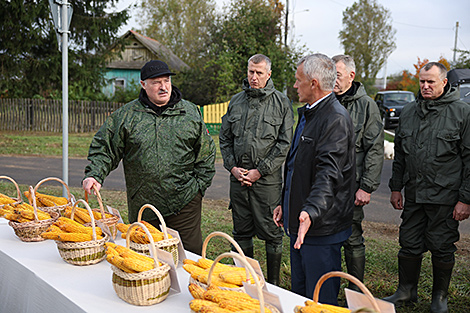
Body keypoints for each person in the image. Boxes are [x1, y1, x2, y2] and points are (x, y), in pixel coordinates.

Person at [82, 60, 216, 255]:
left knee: (188, 256)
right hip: (144, 204)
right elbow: (106, 147)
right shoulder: (127, 116)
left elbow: (206, 152)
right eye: (156, 82)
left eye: (166, 80)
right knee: (145, 257)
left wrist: (197, 189)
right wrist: (95, 174)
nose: (163, 87)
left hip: (184, 203)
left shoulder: (189, 113)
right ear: (143, 84)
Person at [384, 62, 470, 313]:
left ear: (444, 83)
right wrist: (396, 187)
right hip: (415, 195)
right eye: (422, 81)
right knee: (408, 243)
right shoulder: (410, 111)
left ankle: (439, 297)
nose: (425, 86)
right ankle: (406, 291)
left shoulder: (462, 113)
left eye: (431, 81)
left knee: (442, 246)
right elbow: (400, 154)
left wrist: (466, 199)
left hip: (445, 197)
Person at [273, 53, 356, 305]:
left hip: (320, 228)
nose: (295, 86)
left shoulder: (334, 118)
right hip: (302, 223)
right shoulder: (310, 113)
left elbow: (329, 174)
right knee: (300, 294)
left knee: (320, 299)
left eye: (298, 81)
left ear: (314, 83)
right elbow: (296, 166)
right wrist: (284, 202)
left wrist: (310, 210)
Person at [219, 54, 294, 285]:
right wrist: (232, 167)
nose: (253, 77)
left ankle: (272, 287)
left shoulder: (282, 103)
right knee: (241, 233)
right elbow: (224, 139)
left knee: (272, 235)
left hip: (267, 183)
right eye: (251, 71)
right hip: (238, 181)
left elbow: (284, 144)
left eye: (259, 73)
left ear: (268, 74)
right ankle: (246, 283)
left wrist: (259, 171)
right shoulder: (236, 101)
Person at [332, 54, 384, 290]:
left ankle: (356, 291)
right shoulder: (326, 101)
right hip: (325, 185)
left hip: (351, 185)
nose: (332, 80)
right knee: (326, 238)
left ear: (351, 76)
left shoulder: (367, 106)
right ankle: (328, 287)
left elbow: (374, 148)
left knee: (352, 238)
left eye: (337, 75)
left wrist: (366, 186)